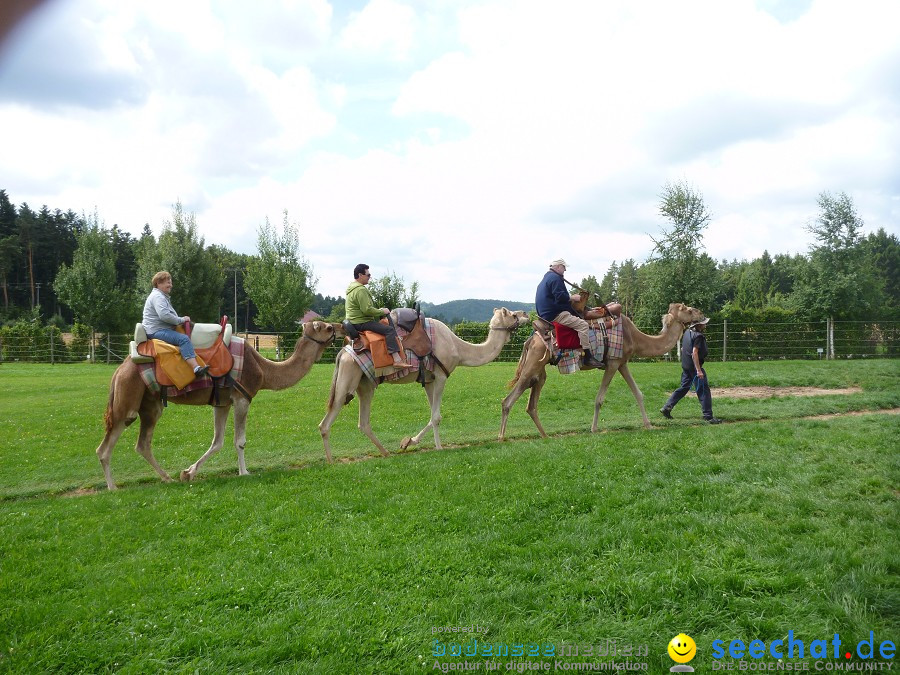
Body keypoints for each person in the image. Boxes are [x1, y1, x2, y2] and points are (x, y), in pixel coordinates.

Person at [535, 258, 604, 368]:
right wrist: (573, 297)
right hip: (554, 315)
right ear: (558, 267)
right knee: (583, 325)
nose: (565, 270)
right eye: (564, 267)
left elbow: (558, 299)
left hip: (545, 314)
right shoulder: (555, 278)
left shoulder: (547, 278)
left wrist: (588, 309)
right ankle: (588, 357)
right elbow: (560, 297)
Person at [142, 271, 209, 378]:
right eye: (167, 282)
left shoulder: (159, 296)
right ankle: (196, 369)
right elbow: (164, 316)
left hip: (157, 329)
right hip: (156, 331)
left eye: (170, 282)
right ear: (158, 283)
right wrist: (181, 320)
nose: (170, 285)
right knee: (183, 339)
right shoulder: (158, 297)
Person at [346, 264, 412, 369]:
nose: (369, 277)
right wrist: (382, 311)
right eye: (368, 275)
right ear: (360, 275)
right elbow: (366, 310)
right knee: (389, 330)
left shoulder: (351, 289)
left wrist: (378, 311)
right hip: (362, 322)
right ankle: (397, 360)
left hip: (354, 321)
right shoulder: (360, 290)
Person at [660, 317, 722, 424]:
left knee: (684, 388)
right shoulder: (698, 336)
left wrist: (686, 363)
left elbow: (684, 349)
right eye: (703, 323)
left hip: (686, 366)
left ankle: (667, 407)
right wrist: (698, 370)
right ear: (698, 325)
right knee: (703, 390)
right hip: (694, 368)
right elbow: (694, 353)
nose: (705, 324)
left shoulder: (687, 332)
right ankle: (708, 416)